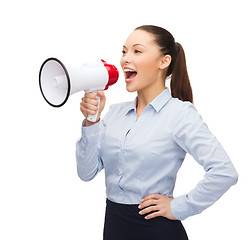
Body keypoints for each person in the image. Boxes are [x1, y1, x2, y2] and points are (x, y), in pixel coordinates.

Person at [76, 25, 238, 240]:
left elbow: (224, 172)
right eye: (124, 51)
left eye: (137, 51)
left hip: (157, 231)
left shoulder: (180, 114)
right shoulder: (115, 113)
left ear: (164, 61)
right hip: (114, 228)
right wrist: (91, 121)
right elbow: (86, 173)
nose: (125, 59)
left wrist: (179, 207)